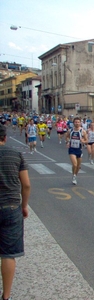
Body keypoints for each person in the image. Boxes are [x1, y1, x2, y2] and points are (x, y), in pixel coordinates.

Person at [0, 124, 31, 300]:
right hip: (11, 208)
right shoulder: (16, 154)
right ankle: (6, 296)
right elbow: (26, 184)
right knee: (8, 254)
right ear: (5, 138)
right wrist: (24, 206)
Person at [65, 117, 88, 185]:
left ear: (80, 123)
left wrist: (83, 141)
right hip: (72, 149)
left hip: (79, 149)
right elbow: (66, 137)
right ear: (73, 123)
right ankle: (73, 176)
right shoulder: (70, 130)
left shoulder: (83, 131)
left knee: (78, 166)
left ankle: (75, 175)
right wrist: (68, 142)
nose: (77, 123)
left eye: (78, 122)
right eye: (75, 122)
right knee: (74, 164)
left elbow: (87, 140)